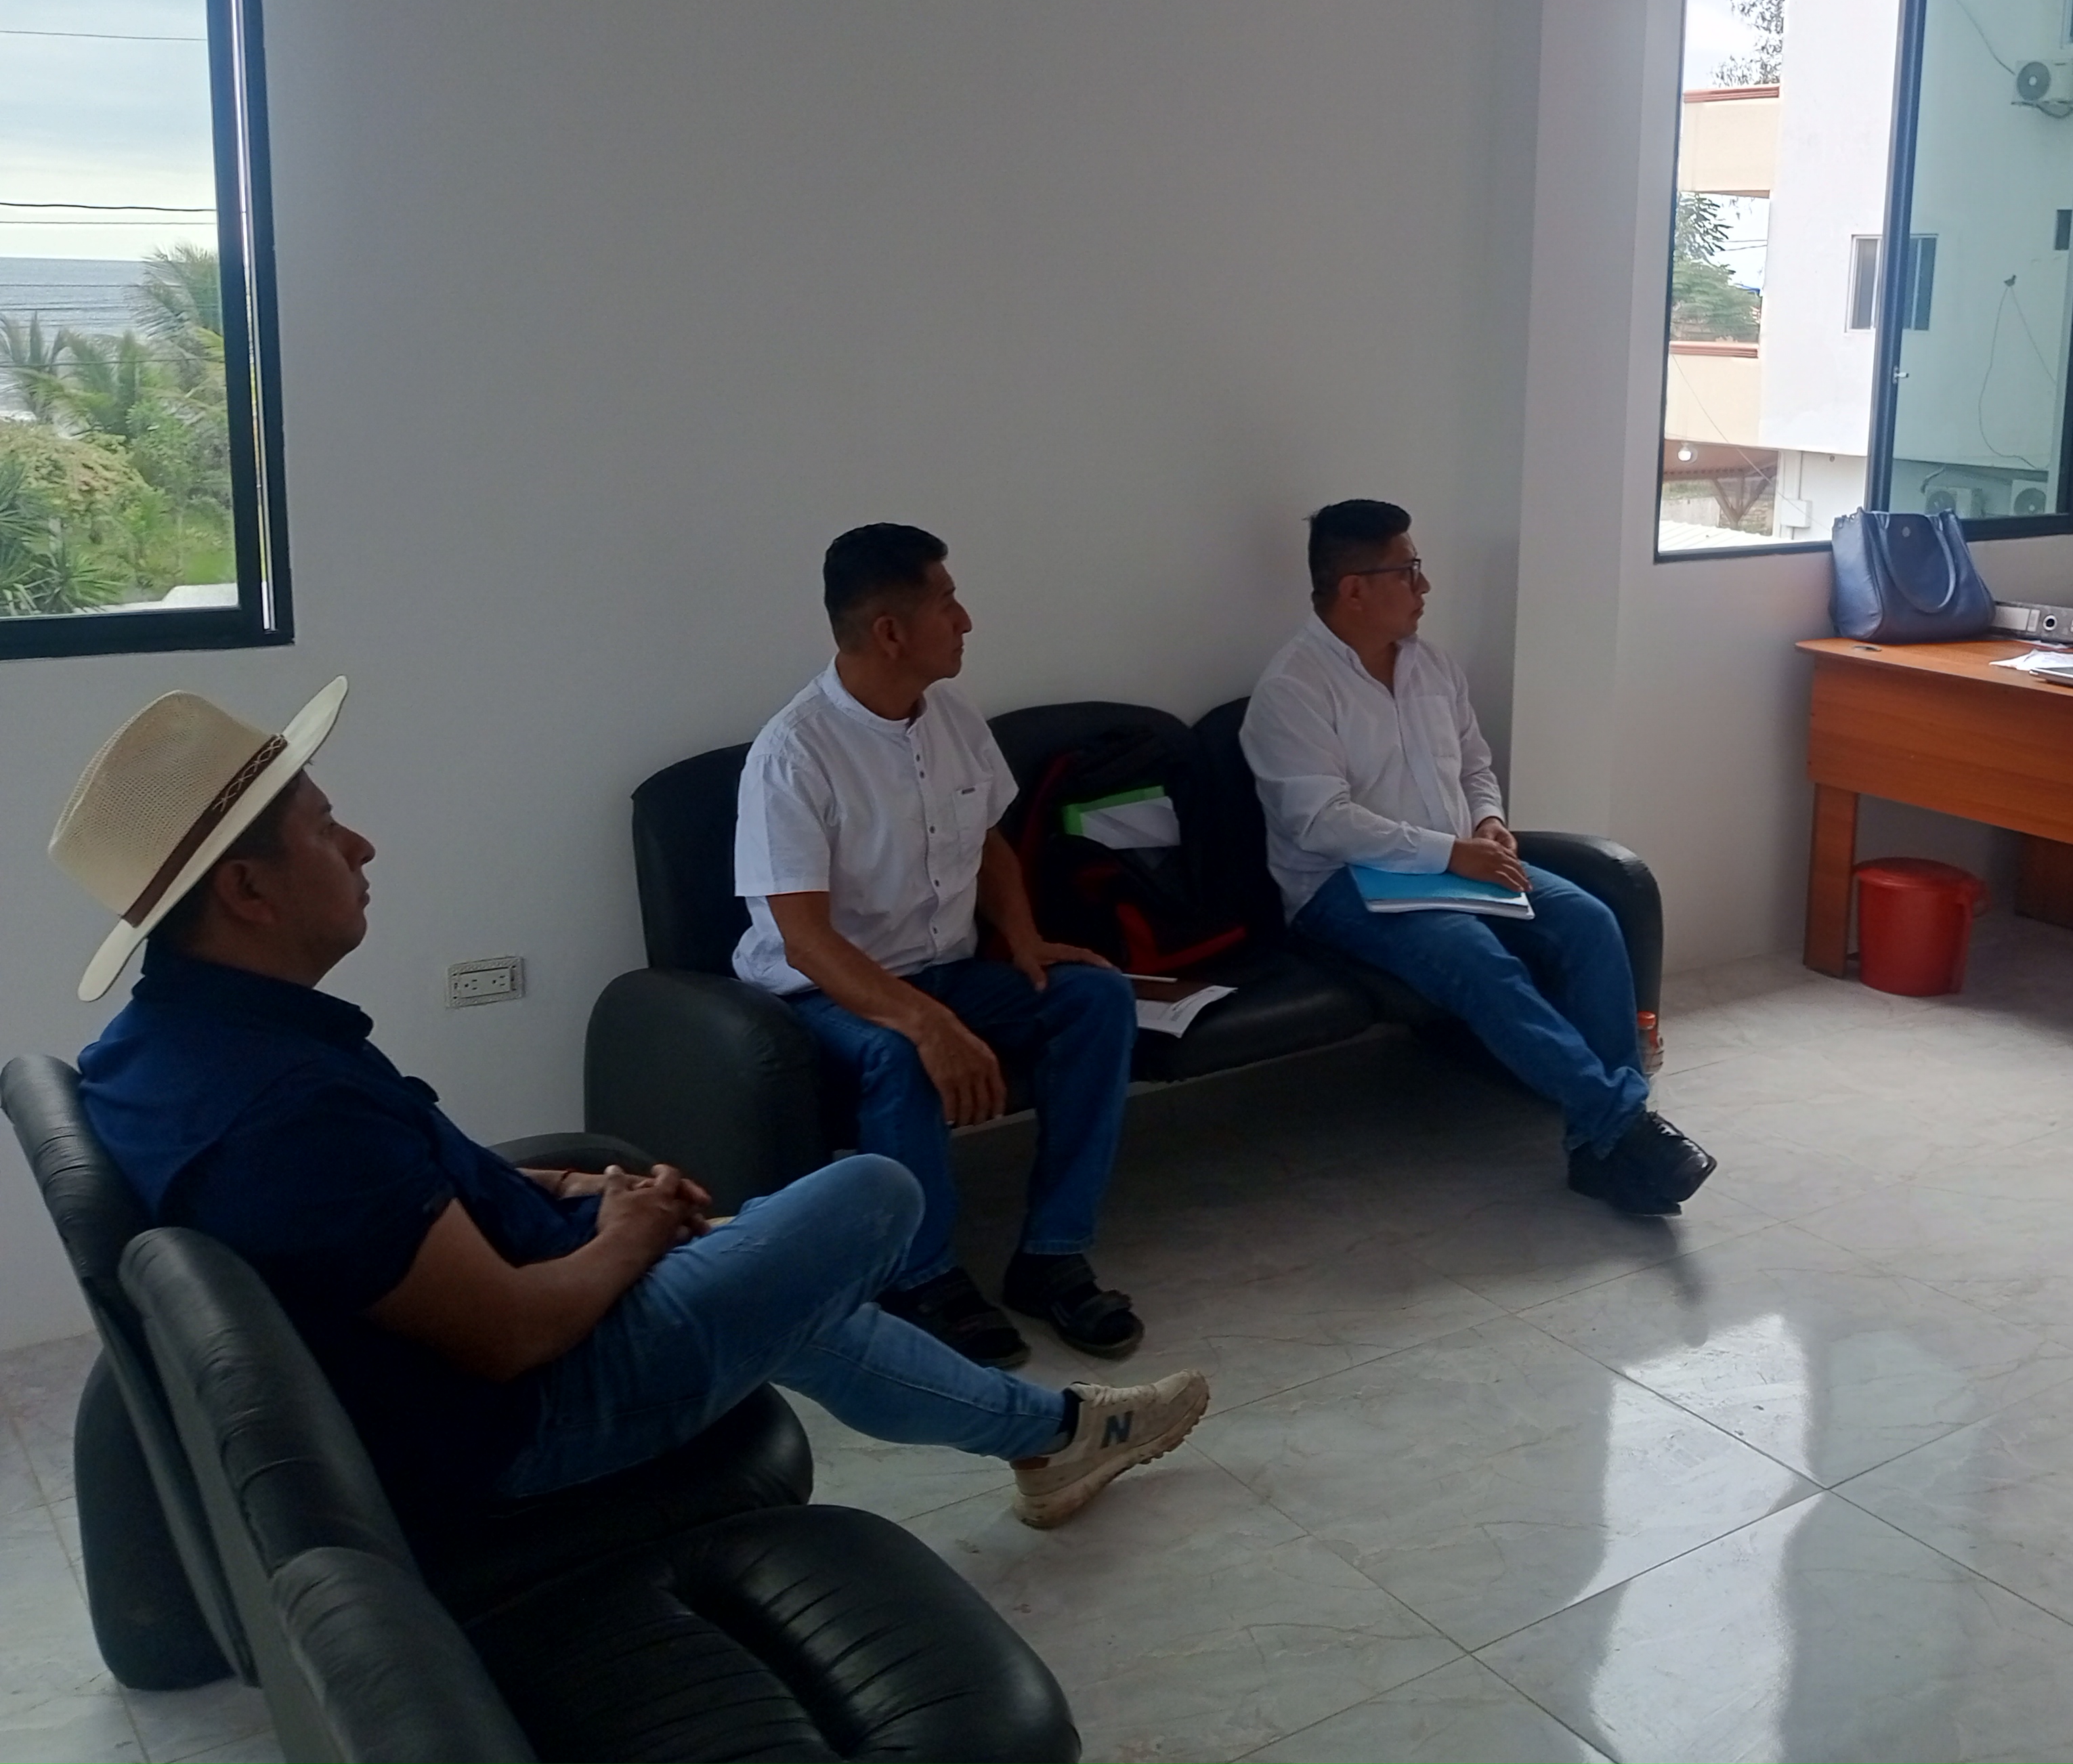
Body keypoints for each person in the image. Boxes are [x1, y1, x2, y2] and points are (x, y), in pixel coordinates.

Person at [56, 680, 1205, 1534]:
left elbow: (385, 1201)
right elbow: (505, 1334)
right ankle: (1052, 1426)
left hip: (512, 1322)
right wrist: (630, 1237)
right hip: (541, 1409)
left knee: (780, 1276)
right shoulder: (280, 1110)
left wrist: (570, 1186)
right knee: (872, 1194)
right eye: (324, 828)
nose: (361, 845)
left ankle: (1053, 1437)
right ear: (246, 889)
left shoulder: (161, 1049)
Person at [735, 523, 1145, 1369]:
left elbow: (987, 841)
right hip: (826, 993)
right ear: (890, 631)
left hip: (947, 969)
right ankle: (920, 1277)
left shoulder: (951, 717)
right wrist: (926, 1024)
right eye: (947, 603)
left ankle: (1052, 1255)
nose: (966, 621)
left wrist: (1024, 940)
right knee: (898, 1054)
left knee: (1097, 999)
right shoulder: (793, 754)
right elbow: (804, 940)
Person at [1241, 499, 1715, 1215]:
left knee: (1589, 919)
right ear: (1354, 589)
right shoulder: (1292, 691)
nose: (1425, 587)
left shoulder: (1432, 666)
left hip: (1456, 863)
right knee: (1470, 953)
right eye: (1408, 571)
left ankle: (1602, 1145)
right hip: (1343, 884)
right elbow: (1321, 823)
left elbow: (1473, 765)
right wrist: (1448, 853)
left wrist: (1489, 821)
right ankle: (1622, 1126)